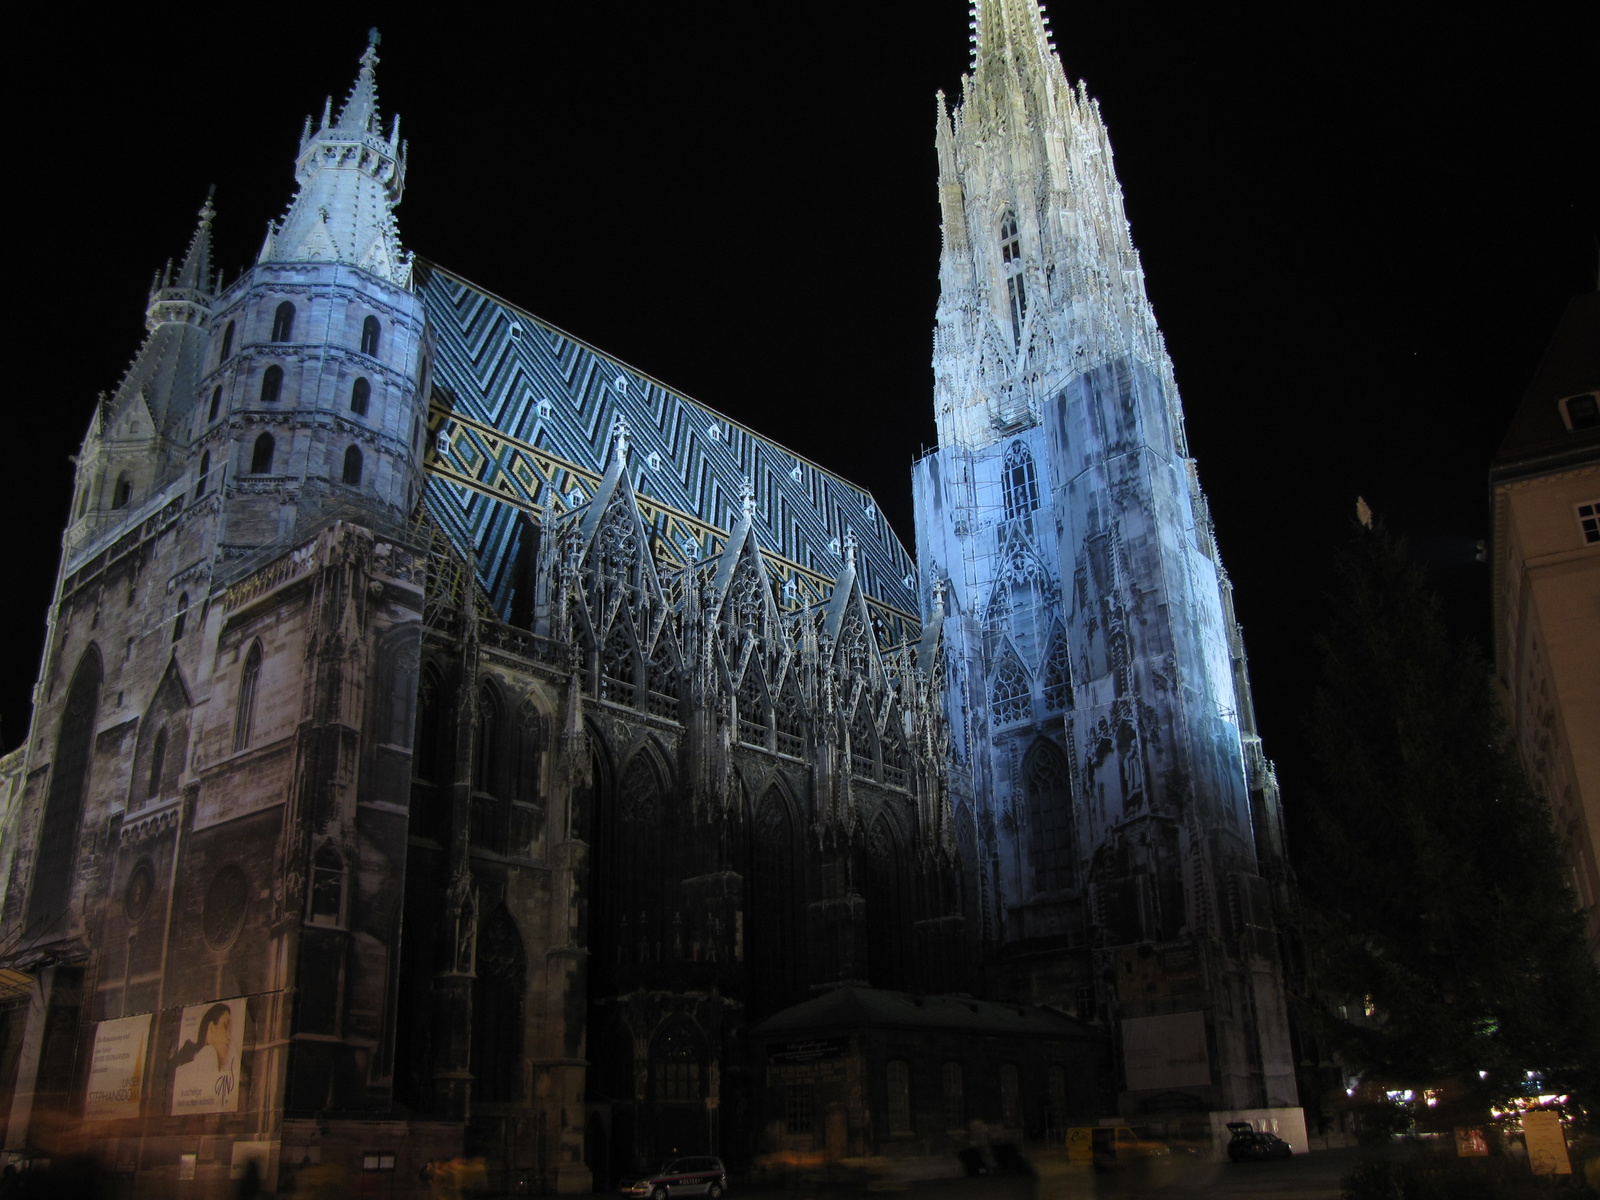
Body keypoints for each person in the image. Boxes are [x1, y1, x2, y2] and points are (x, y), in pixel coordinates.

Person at [172, 1003, 235, 1110]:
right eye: (225, 1026)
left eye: (230, 1031)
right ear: (210, 1029)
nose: (229, 1037)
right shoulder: (208, 1054)